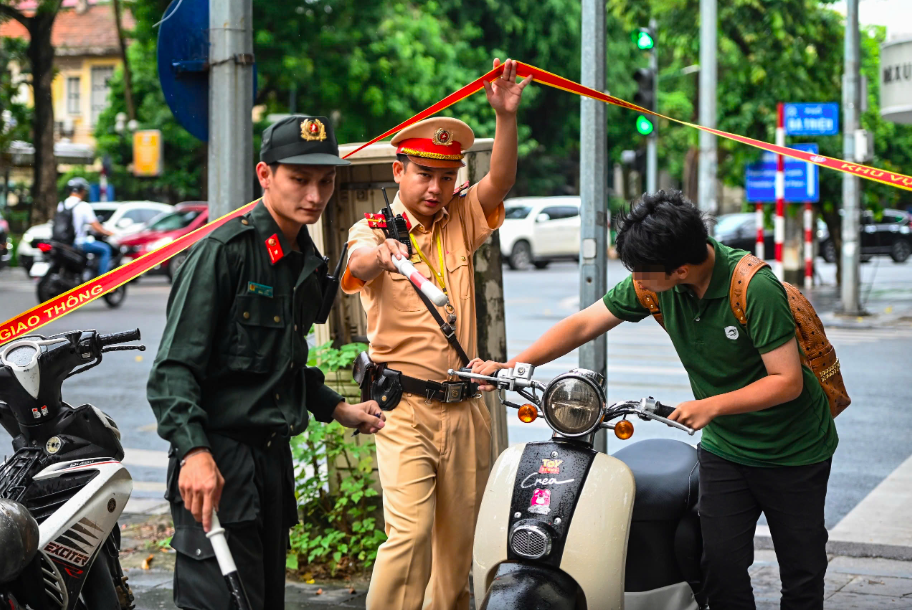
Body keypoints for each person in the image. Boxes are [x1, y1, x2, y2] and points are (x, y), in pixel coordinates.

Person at [473, 190, 838, 610]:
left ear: (681, 269)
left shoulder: (754, 289)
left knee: (802, 570)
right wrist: (513, 365)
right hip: (727, 449)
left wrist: (710, 406)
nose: (637, 282)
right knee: (719, 567)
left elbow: (787, 381)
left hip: (794, 450)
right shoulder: (656, 283)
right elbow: (584, 324)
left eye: (643, 274)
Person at [147, 115, 386, 610]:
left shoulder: (303, 258)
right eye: (299, 179)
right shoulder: (225, 252)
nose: (315, 194)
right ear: (265, 175)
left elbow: (283, 363)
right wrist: (193, 453)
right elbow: (173, 370)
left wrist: (338, 409)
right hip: (217, 459)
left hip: (271, 464)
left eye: (325, 180)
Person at [340, 58, 530, 610]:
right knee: (410, 536)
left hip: (466, 405)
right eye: (424, 173)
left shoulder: (461, 218)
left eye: (447, 176)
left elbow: (502, 179)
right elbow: (359, 264)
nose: (436, 186)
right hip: (404, 409)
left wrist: (505, 116)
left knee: (458, 551)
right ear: (398, 171)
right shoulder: (370, 230)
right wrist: (382, 255)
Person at [57, 177, 115, 277]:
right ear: (82, 191)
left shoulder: (62, 204)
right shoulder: (83, 206)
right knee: (105, 249)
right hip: (79, 243)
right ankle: (103, 279)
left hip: (63, 243)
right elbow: (96, 226)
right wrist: (108, 233)